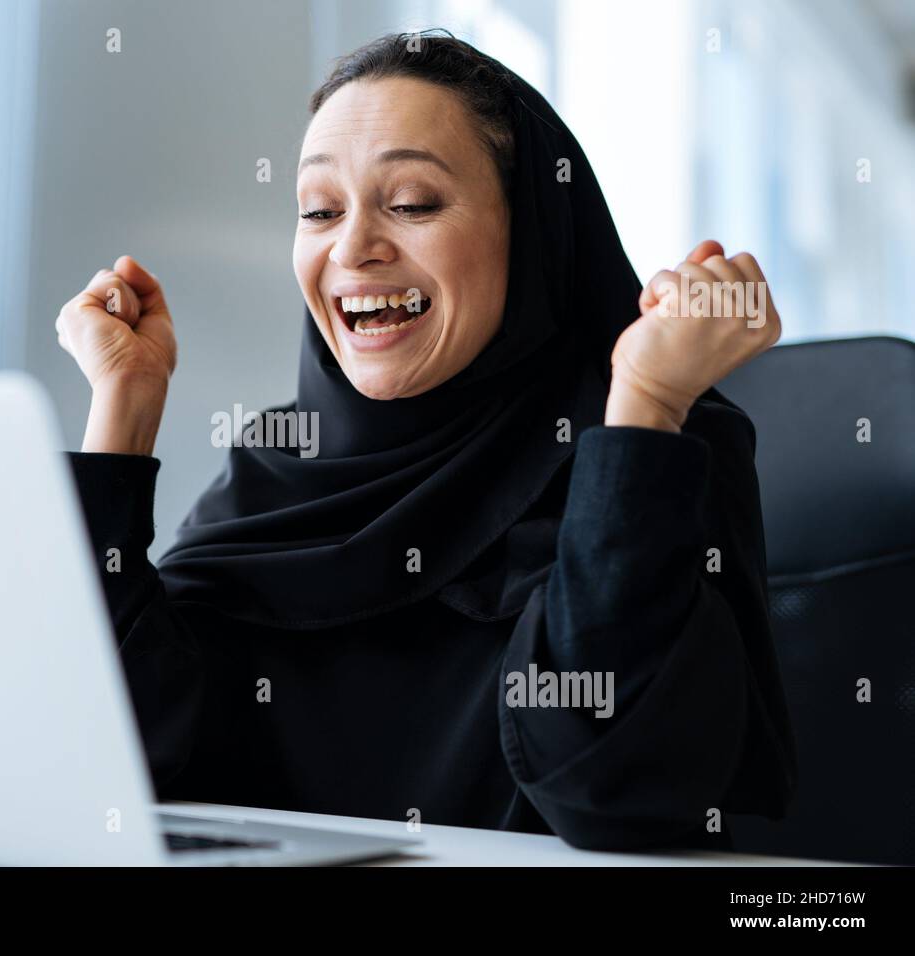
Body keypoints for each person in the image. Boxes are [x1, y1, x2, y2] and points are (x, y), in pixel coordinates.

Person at [53, 31, 794, 850]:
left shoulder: (656, 447)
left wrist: (649, 404)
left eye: (412, 204)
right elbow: (94, 761)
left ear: (533, 230)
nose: (352, 247)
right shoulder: (279, 471)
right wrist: (123, 412)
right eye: (320, 210)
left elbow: (612, 789)